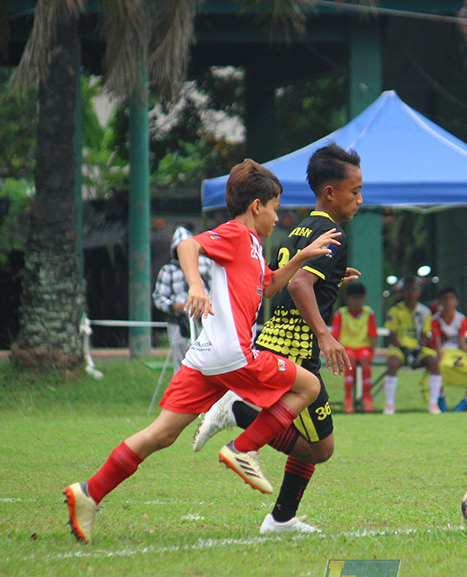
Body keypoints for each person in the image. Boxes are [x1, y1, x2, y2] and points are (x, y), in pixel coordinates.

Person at [62, 159, 342, 544]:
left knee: (160, 434)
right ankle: (243, 449)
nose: (278, 217)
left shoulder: (255, 248)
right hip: (231, 353)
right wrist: (195, 285)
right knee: (307, 386)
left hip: (205, 357)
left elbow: (271, 286)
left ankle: (89, 493)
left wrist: (301, 258)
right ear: (257, 206)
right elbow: (187, 245)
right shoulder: (236, 234)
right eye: (275, 208)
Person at [191, 143, 363, 534]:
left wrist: (333, 277)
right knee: (322, 448)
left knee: (310, 440)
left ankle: (282, 518)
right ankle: (237, 411)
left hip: (276, 339)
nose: (360, 199)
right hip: (297, 349)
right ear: (330, 193)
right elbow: (300, 283)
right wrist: (325, 334)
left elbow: (278, 279)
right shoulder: (332, 231)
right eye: (354, 191)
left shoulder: (298, 229)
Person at [382, 277, 443, 414]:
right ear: (402, 292)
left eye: (414, 290)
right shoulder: (395, 311)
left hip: (418, 349)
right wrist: (404, 350)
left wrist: (417, 349)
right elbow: (391, 336)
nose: (411, 293)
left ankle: (433, 404)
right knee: (393, 362)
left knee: (434, 361)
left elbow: (425, 334)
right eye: (408, 290)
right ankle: (389, 405)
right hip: (399, 348)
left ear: (419, 292)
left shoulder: (425, 311)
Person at [430, 286, 467, 412]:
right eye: (445, 299)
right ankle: (441, 398)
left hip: (457, 351)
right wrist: (439, 353)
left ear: (456, 302)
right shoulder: (435, 320)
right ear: (440, 302)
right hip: (443, 351)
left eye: (451, 298)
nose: (448, 302)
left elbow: (462, 342)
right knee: (439, 366)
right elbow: (437, 343)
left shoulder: (461, 319)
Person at [331, 281, 378, 413]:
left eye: (359, 298)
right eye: (353, 297)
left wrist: (372, 354)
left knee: (365, 361)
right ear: (348, 298)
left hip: (363, 347)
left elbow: (373, 334)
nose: (357, 301)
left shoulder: (369, 313)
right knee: (350, 361)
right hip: (346, 348)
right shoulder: (341, 313)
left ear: (364, 299)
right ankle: (348, 400)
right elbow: (335, 335)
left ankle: (367, 399)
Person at [152, 257, 191, 374]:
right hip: (178, 322)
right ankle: (181, 389)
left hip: (201, 321)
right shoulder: (168, 270)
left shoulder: (205, 264)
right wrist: (172, 306)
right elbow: (158, 296)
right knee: (180, 363)